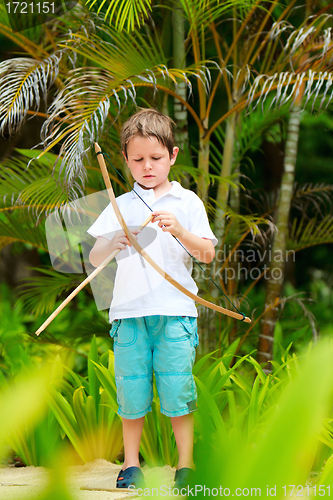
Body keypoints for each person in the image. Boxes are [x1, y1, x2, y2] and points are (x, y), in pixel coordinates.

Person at [88, 108, 217, 489]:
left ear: (172, 156)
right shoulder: (120, 204)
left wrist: (179, 229)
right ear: (125, 160)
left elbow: (206, 253)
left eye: (156, 158)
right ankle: (131, 465)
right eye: (138, 159)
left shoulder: (187, 201)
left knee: (178, 386)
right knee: (132, 388)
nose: (147, 167)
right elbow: (94, 260)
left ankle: (186, 466)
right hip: (128, 313)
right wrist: (114, 240)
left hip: (175, 310)